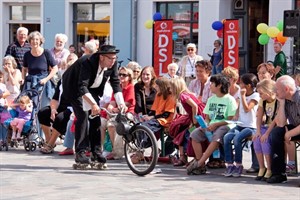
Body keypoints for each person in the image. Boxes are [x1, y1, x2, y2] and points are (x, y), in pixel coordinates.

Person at [61, 45, 123, 165]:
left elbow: (115, 82)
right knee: (83, 116)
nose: (113, 61)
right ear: (101, 57)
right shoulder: (87, 62)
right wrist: (93, 104)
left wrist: (120, 103)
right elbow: (82, 86)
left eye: (115, 58)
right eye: (110, 58)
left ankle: (96, 152)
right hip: (75, 87)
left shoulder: (112, 63)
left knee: (95, 118)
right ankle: (81, 152)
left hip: (92, 88)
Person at [187, 74, 237, 175]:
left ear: (219, 86)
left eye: (212, 83)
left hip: (224, 125)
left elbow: (231, 119)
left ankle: (200, 163)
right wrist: (205, 124)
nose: (210, 85)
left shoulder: (230, 99)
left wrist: (216, 124)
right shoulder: (211, 99)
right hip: (211, 125)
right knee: (195, 134)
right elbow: (207, 117)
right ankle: (200, 161)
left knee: (216, 137)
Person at [223, 73, 260, 177]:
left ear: (248, 85)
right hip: (240, 124)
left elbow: (247, 109)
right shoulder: (240, 93)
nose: (240, 84)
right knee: (227, 137)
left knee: (237, 139)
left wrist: (243, 96)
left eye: (242, 83)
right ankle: (230, 164)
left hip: (251, 127)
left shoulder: (255, 95)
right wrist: (235, 114)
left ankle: (239, 164)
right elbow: (238, 106)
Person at [267, 75, 300, 184]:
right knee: (276, 132)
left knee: (284, 133)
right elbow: (281, 123)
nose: (275, 92)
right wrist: (281, 103)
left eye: (277, 89)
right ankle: (279, 174)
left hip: (297, 129)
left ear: (286, 89)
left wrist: (290, 133)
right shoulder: (284, 98)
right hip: (297, 127)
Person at [169, 77, 205, 166]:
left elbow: (195, 106)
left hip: (198, 116)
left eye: (171, 87)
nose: (170, 89)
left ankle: (196, 158)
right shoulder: (187, 94)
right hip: (196, 115)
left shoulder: (183, 96)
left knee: (190, 134)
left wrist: (193, 120)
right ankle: (183, 157)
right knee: (182, 132)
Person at [22, 31, 58, 108]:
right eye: (33, 39)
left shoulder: (46, 52)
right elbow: (24, 68)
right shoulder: (27, 54)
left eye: (37, 39)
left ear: (40, 41)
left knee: (44, 107)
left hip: (44, 83)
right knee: (31, 107)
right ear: (30, 41)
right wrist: (23, 79)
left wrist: (46, 79)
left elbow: (55, 68)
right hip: (31, 83)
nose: (35, 41)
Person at [105, 66, 135, 160]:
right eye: (120, 74)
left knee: (119, 125)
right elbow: (112, 101)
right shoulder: (117, 87)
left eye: (124, 75)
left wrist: (114, 109)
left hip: (129, 113)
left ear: (129, 77)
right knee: (110, 124)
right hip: (119, 112)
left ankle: (118, 152)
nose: (121, 76)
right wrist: (110, 107)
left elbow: (128, 103)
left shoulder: (131, 87)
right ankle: (115, 149)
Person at [252, 79, 277, 181]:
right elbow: (259, 117)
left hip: (274, 127)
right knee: (256, 140)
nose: (259, 95)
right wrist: (258, 131)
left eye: (261, 93)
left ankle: (270, 169)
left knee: (265, 141)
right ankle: (262, 167)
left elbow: (275, 119)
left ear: (269, 91)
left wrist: (266, 133)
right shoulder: (263, 100)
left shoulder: (277, 100)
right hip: (264, 126)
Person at [38, 80, 72, 154]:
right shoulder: (62, 81)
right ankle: (49, 140)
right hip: (60, 106)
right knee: (42, 113)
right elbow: (55, 98)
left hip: (73, 108)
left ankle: (50, 144)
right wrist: (53, 109)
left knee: (60, 118)